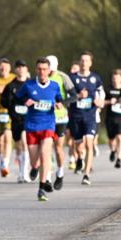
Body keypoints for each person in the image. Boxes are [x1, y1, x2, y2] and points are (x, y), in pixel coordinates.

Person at [15, 58, 63, 201]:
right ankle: (34, 167)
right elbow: (16, 98)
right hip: (31, 126)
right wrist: (25, 101)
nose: (42, 72)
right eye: (39, 69)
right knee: (35, 159)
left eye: (44, 69)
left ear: (49, 71)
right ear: (36, 70)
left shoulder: (54, 86)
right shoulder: (28, 85)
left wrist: (59, 104)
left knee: (45, 153)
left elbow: (59, 98)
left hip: (48, 125)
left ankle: (41, 188)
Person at [67, 51, 104, 186]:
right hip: (76, 116)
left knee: (89, 144)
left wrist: (100, 101)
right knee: (78, 147)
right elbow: (66, 97)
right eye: (82, 60)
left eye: (87, 60)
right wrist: (78, 96)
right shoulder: (71, 78)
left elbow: (101, 93)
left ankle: (86, 174)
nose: (84, 63)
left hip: (90, 115)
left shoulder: (96, 78)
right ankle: (79, 159)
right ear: (79, 62)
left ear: (90, 63)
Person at [46, 55, 76, 190]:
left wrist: (62, 103)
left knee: (58, 148)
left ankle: (60, 173)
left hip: (61, 117)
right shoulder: (41, 77)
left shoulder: (63, 77)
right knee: (46, 147)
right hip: (45, 117)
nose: (49, 72)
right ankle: (46, 177)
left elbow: (74, 96)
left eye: (51, 69)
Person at [1, 60, 31, 182]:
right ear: (15, 70)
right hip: (15, 119)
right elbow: (3, 102)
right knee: (18, 145)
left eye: (23, 67)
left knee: (25, 142)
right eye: (18, 67)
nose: (21, 69)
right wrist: (11, 103)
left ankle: (25, 173)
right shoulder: (10, 86)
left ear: (26, 69)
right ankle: (20, 172)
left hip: (28, 119)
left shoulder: (31, 84)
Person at [104, 69, 121, 170]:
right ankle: (113, 150)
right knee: (111, 140)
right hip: (110, 118)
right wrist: (110, 101)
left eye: (117, 78)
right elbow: (102, 102)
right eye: (113, 78)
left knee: (120, 138)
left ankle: (119, 159)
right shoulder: (108, 89)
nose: (115, 80)